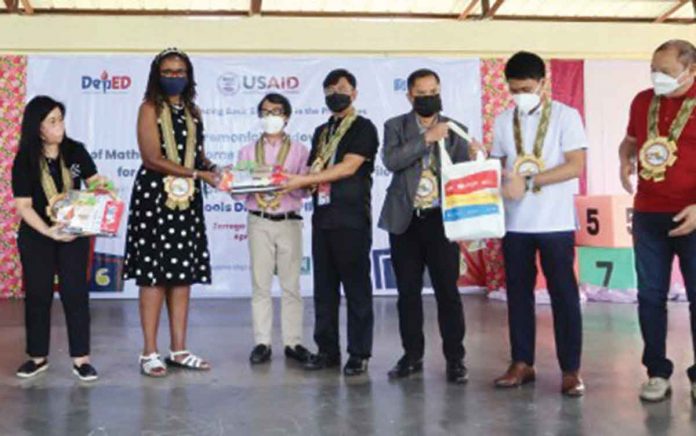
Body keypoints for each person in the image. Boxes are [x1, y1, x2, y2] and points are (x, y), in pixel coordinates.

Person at [491, 51, 587, 397]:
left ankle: (571, 370)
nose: (520, 95)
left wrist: (530, 183)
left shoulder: (566, 116)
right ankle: (522, 362)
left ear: (543, 84)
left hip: (555, 222)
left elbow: (575, 165)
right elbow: (498, 166)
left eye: (526, 88)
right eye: (514, 89)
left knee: (563, 296)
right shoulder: (503, 121)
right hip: (515, 223)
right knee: (517, 295)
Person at [123, 48, 218, 377]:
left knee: (181, 275)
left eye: (180, 72)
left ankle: (179, 349)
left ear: (189, 76)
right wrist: (196, 174)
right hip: (154, 199)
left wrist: (212, 169)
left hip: (187, 200)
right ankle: (149, 351)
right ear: (156, 74)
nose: (174, 77)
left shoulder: (193, 111)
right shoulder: (149, 108)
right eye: (168, 71)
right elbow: (151, 158)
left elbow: (196, 155)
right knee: (153, 275)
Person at [379, 68, 478, 384]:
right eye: (421, 93)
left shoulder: (456, 129)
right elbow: (392, 161)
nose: (428, 97)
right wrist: (426, 139)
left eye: (433, 91)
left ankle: (455, 359)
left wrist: (475, 157)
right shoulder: (395, 126)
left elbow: (465, 176)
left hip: (441, 221)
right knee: (408, 293)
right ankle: (412, 356)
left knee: (447, 292)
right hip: (406, 220)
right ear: (410, 96)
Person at [282, 68, 378, 376]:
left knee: (356, 289)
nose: (335, 94)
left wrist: (308, 177)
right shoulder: (322, 131)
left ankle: (359, 353)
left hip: (351, 218)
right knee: (324, 289)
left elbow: (348, 167)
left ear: (354, 92)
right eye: (329, 90)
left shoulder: (363, 127)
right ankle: (327, 350)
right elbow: (316, 166)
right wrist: (303, 182)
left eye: (341, 88)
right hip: (322, 217)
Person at [618, 39, 696, 402]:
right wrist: (625, 158)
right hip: (648, 214)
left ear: (691, 70)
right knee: (649, 296)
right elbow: (630, 140)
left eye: (665, 72)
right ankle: (656, 372)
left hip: (692, 215)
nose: (657, 78)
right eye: (653, 69)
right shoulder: (642, 100)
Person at [12, 95, 108, 381]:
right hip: (37, 236)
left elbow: (94, 185)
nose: (60, 126)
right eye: (52, 121)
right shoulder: (25, 159)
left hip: (73, 235)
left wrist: (102, 192)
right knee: (38, 296)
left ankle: (81, 359)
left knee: (75, 294)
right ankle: (37, 357)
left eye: (61, 119)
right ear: (38, 127)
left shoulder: (76, 151)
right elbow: (24, 207)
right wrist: (48, 231)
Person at [237, 93, 311, 365]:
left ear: (287, 117)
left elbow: (306, 189)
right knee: (261, 284)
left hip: (288, 219)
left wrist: (293, 183)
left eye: (277, 112)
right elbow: (238, 191)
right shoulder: (247, 151)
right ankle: (262, 342)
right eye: (266, 112)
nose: (271, 117)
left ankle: (293, 342)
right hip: (259, 219)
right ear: (260, 116)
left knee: (291, 285)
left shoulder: (300, 150)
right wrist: (239, 183)